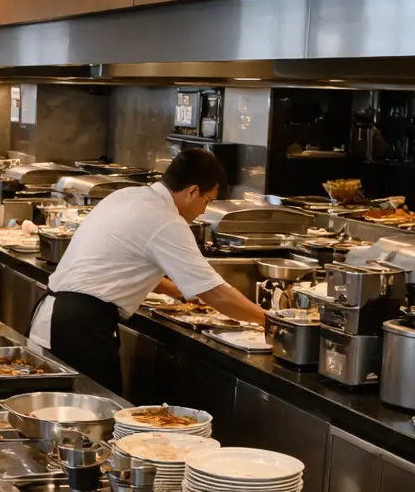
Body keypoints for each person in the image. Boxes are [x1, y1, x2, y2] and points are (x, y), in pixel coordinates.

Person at [28, 149, 263, 395]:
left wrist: (178, 291)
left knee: (58, 411)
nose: (204, 211)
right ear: (192, 191)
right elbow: (215, 293)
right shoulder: (166, 220)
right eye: (208, 201)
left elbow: (120, 264)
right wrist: (268, 321)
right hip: (80, 330)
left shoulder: (127, 196)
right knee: (93, 413)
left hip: (53, 317)